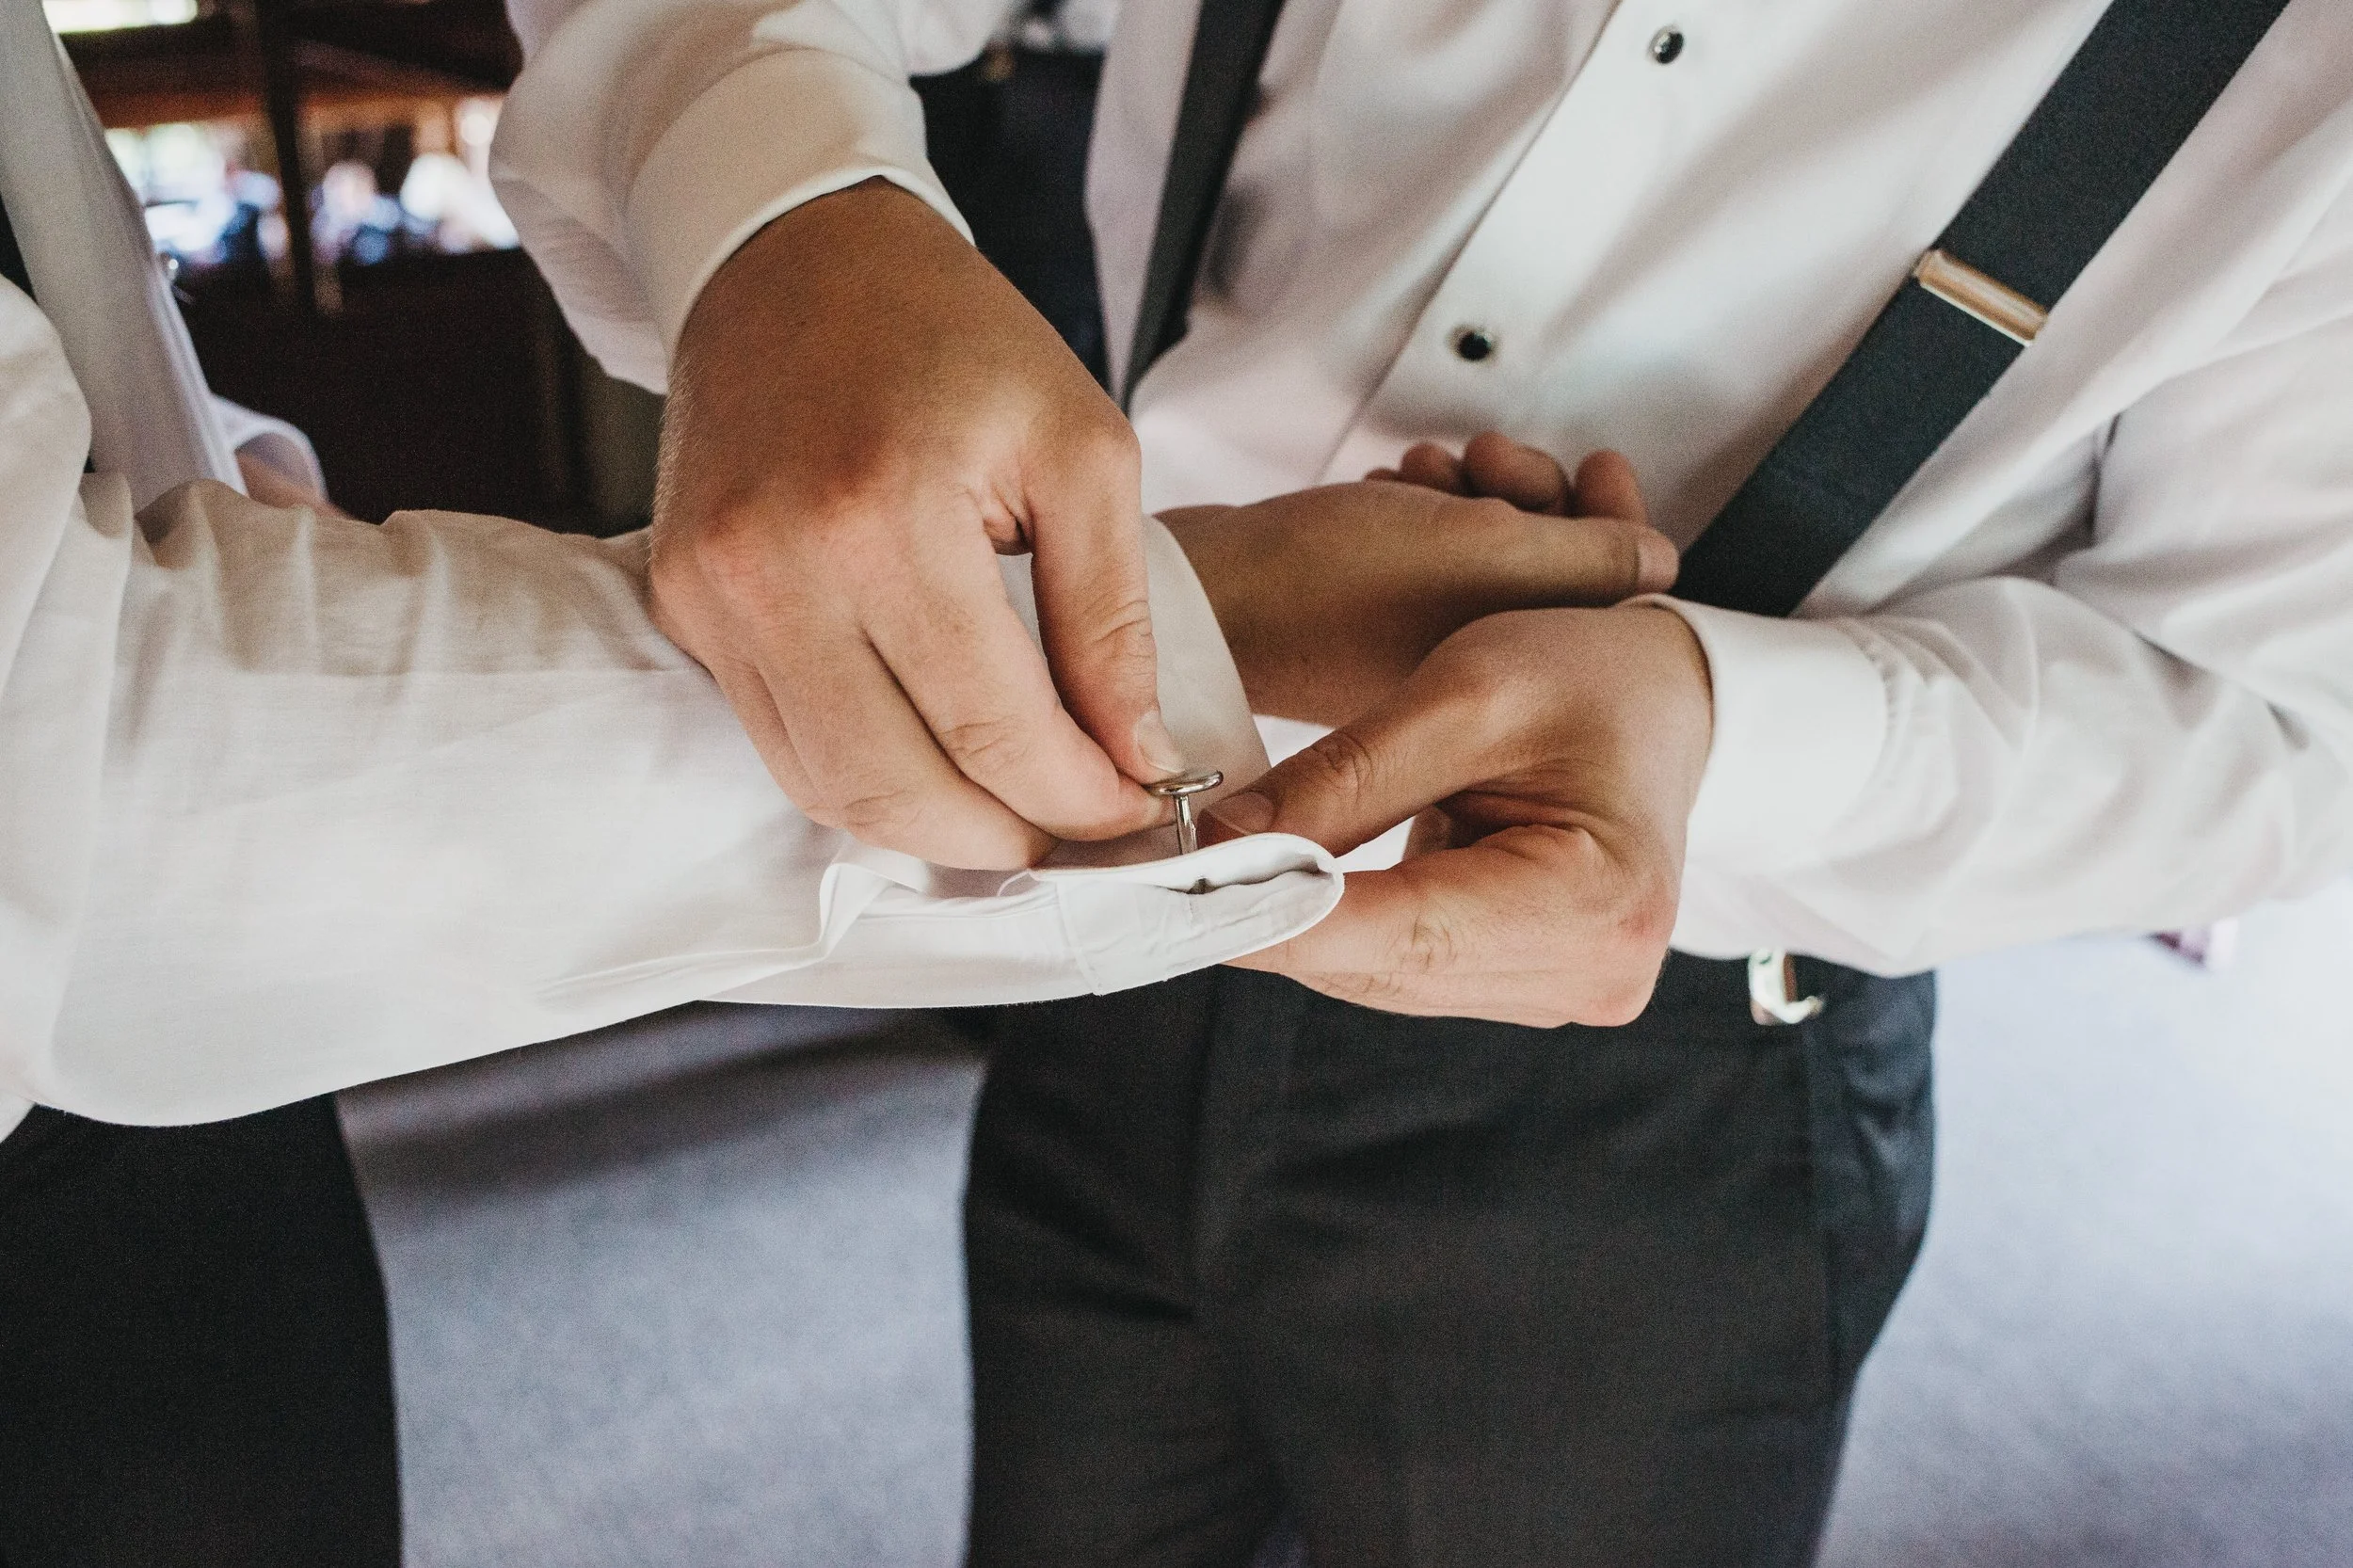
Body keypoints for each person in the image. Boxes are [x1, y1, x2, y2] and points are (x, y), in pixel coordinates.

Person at [490, 0, 2353, 1562]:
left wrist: (1716, 715)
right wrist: (779, 198)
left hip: (1663, 1085)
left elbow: (2283, 719)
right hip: (1113, 922)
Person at [0, 6, 1670, 1562]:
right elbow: (67, 776)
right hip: (88, 1135)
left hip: (1671, 1092)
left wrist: (210, 477)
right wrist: (1192, 620)